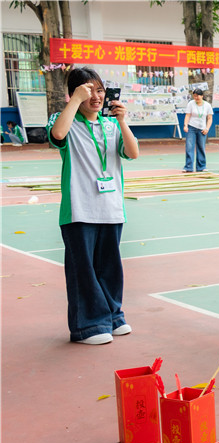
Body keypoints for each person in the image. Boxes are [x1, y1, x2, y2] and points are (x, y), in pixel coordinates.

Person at [46, 67, 140, 344]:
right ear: (75, 93)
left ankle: (113, 316)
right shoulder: (65, 120)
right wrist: (74, 101)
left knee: (110, 267)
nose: (96, 96)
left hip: (111, 208)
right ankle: (87, 326)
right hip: (79, 210)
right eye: (88, 90)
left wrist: (123, 121)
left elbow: (133, 153)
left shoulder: (111, 126)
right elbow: (58, 135)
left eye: (99, 90)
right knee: (83, 270)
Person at [182, 88, 212, 172]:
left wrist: (207, 128)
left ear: (202, 96)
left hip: (202, 128)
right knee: (189, 146)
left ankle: (201, 166)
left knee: (201, 147)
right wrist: (185, 126)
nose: (196, 98)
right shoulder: (191, 104)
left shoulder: (207, 105)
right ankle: (188, 167)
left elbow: (209, 118)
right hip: (191, 127)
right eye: (194, 96)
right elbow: (187, 115)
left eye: (197, 96)